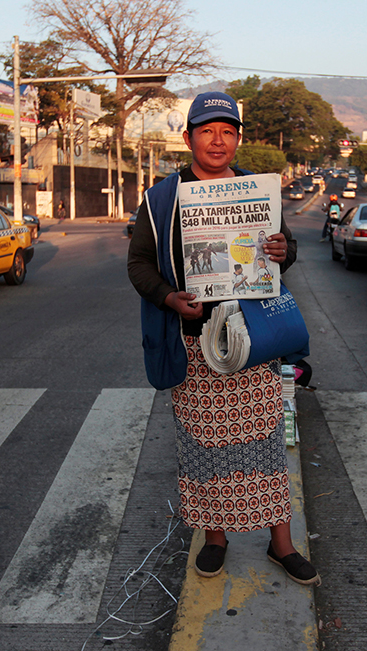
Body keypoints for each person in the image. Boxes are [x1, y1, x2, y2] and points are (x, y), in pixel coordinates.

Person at [128, 91, 319, 586]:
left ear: (238, 139)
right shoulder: (162, 198)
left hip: (253, 341)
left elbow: (286, 249)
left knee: (265, 445)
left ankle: (281, 545)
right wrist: (170, 299)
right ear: (188, 137)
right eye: (207, 130)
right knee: (204, 447)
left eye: (228, 131)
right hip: (194, 344)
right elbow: (138, 265)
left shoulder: (258, 193)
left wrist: (283, 249)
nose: (218, 140)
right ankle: (215, 539)